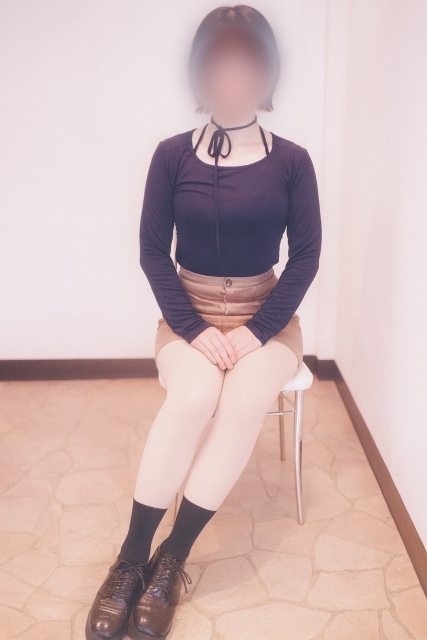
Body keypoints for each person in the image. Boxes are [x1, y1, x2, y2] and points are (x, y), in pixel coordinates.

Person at [86, 5, 322, 640]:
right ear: (199, 73)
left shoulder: (293, 161)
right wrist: (194, 330)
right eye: (218, 66)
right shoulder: (171, 156)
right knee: (193, 396)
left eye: (246, 66)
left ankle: (171, 559)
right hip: (186, 313)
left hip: (267, 318)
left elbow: (305, 258)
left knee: (243, 400)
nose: (232, 79)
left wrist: (254, 331)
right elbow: (150, 253)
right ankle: (130, 559)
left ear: (267, 73)